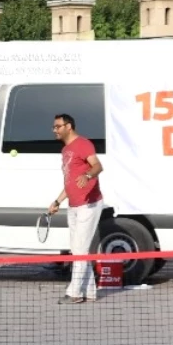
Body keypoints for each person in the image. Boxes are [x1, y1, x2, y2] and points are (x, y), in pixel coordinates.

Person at [48, 113, 104, 304]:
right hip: (73, 205)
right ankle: (90, 292)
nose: (54, 130)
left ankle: (74, 293)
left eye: (57, 126)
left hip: (89, 204)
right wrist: (57, 201)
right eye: (54, 127)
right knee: (79, 249)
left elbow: (97, 166)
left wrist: (88, 176)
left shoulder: (83, 144)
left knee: (79, 249)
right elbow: (70, 183)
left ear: (68, 126)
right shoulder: (65, 150)